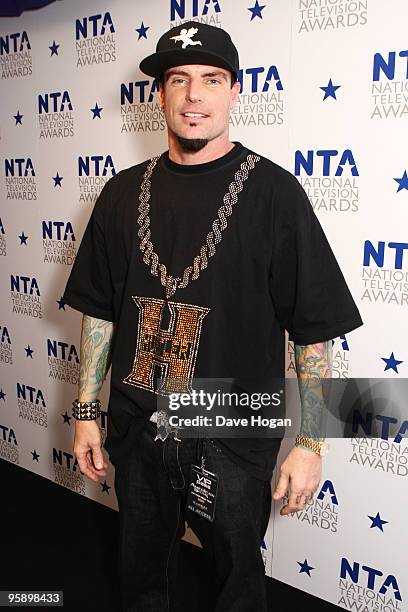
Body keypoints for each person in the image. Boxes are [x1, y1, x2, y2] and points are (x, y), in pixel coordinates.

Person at [63, 21, 363, 612]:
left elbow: (315, 328)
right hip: (139, 424)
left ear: (234, 92)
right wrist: (86, 412)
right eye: (179, 80)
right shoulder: (122, 194)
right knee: (141, 579)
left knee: (237, 589)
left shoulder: (276, 194)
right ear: (159, 94)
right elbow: (99, 312)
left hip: (232, 432)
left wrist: (311, 442)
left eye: (211, 79)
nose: (194, 96)